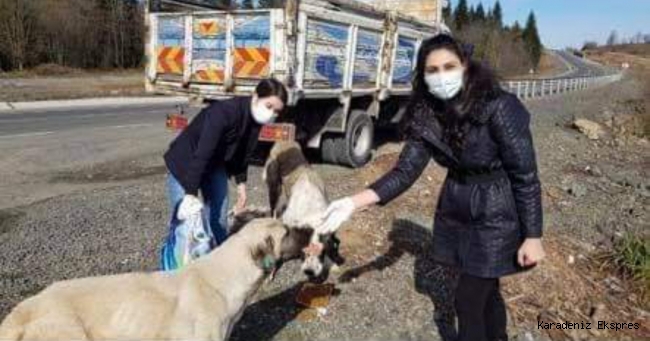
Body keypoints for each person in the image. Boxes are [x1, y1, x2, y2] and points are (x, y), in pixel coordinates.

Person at [318, 34, 545, 341]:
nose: (441, 76)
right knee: (486, 289)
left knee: (466, 300)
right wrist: (353, 202)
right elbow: (404, 171)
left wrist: (533, 236)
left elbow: (526, 175)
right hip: (456, 204)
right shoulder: (425, 113)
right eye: (432, 70)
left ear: (465, 65)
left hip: (496, 209)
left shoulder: (499, 106)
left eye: (449, 66)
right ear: (423, 76)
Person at [164, 78, 287, 246]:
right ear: (256, 96)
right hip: (185, 163)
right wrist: (190, 193)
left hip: (215, 164)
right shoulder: (224, 112)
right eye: (269, 106)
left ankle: (217, 263)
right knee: (184, 223)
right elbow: (202, 153)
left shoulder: (256, 121)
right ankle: (178, 269)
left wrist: (241, 184)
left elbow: (242, 153)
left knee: (218, 220)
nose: (271, 114)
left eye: (276, 112)